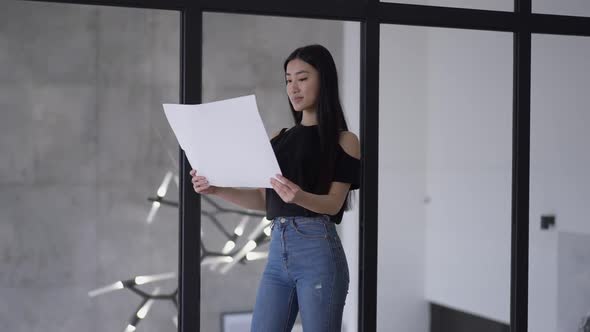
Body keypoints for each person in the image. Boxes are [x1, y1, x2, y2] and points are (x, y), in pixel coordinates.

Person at [190, 44, 360, 332]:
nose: (293, 87)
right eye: (288, 80)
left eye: (302, 78)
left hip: (318, 252)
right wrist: (216, 189)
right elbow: (262, 199)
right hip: (278, 253)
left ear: (325, 80)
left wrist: (299, 196)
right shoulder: (278, 138)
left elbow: (333, 204)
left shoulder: (345, 140)